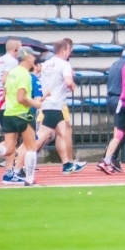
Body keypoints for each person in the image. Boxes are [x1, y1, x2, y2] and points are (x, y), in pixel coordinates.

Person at [36, 40, 86, 174]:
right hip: (54, 104)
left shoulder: (46, 64)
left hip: (48, 103)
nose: (70, 53)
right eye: (69, 51)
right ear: (64, 50)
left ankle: (67, 164)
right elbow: (68, 82)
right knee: (42, 136)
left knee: (62, 134)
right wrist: (72, 86)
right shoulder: (64, 64)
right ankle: (20, 160)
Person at [2, 47, 47, 186]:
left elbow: (5, 93)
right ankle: (29, 179)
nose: (35, 59)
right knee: (31, 147)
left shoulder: (12, 72)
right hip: (23, 115)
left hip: (8, 113)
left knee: (8, 149)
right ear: (27, 57)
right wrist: (35, 103)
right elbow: (21, 98)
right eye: (33, 56)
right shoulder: (25, 75)